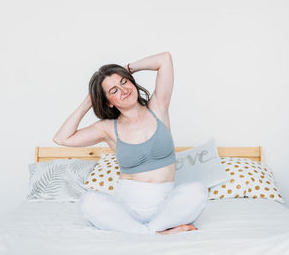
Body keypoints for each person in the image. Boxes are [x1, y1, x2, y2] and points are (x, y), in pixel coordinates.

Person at [53, 52, 207, 235]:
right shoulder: (107, 128)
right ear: (108, 102)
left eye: (124, 82)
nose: (123, 90)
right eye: (114, 91)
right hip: (126, 210)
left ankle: (145, 231)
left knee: (197, 190)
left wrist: (127, 69)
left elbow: (164, 59)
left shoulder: (159, 107)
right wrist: (88, 101)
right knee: (88, 201)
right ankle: (155, 232)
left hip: (166, 207)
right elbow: (62, 138)